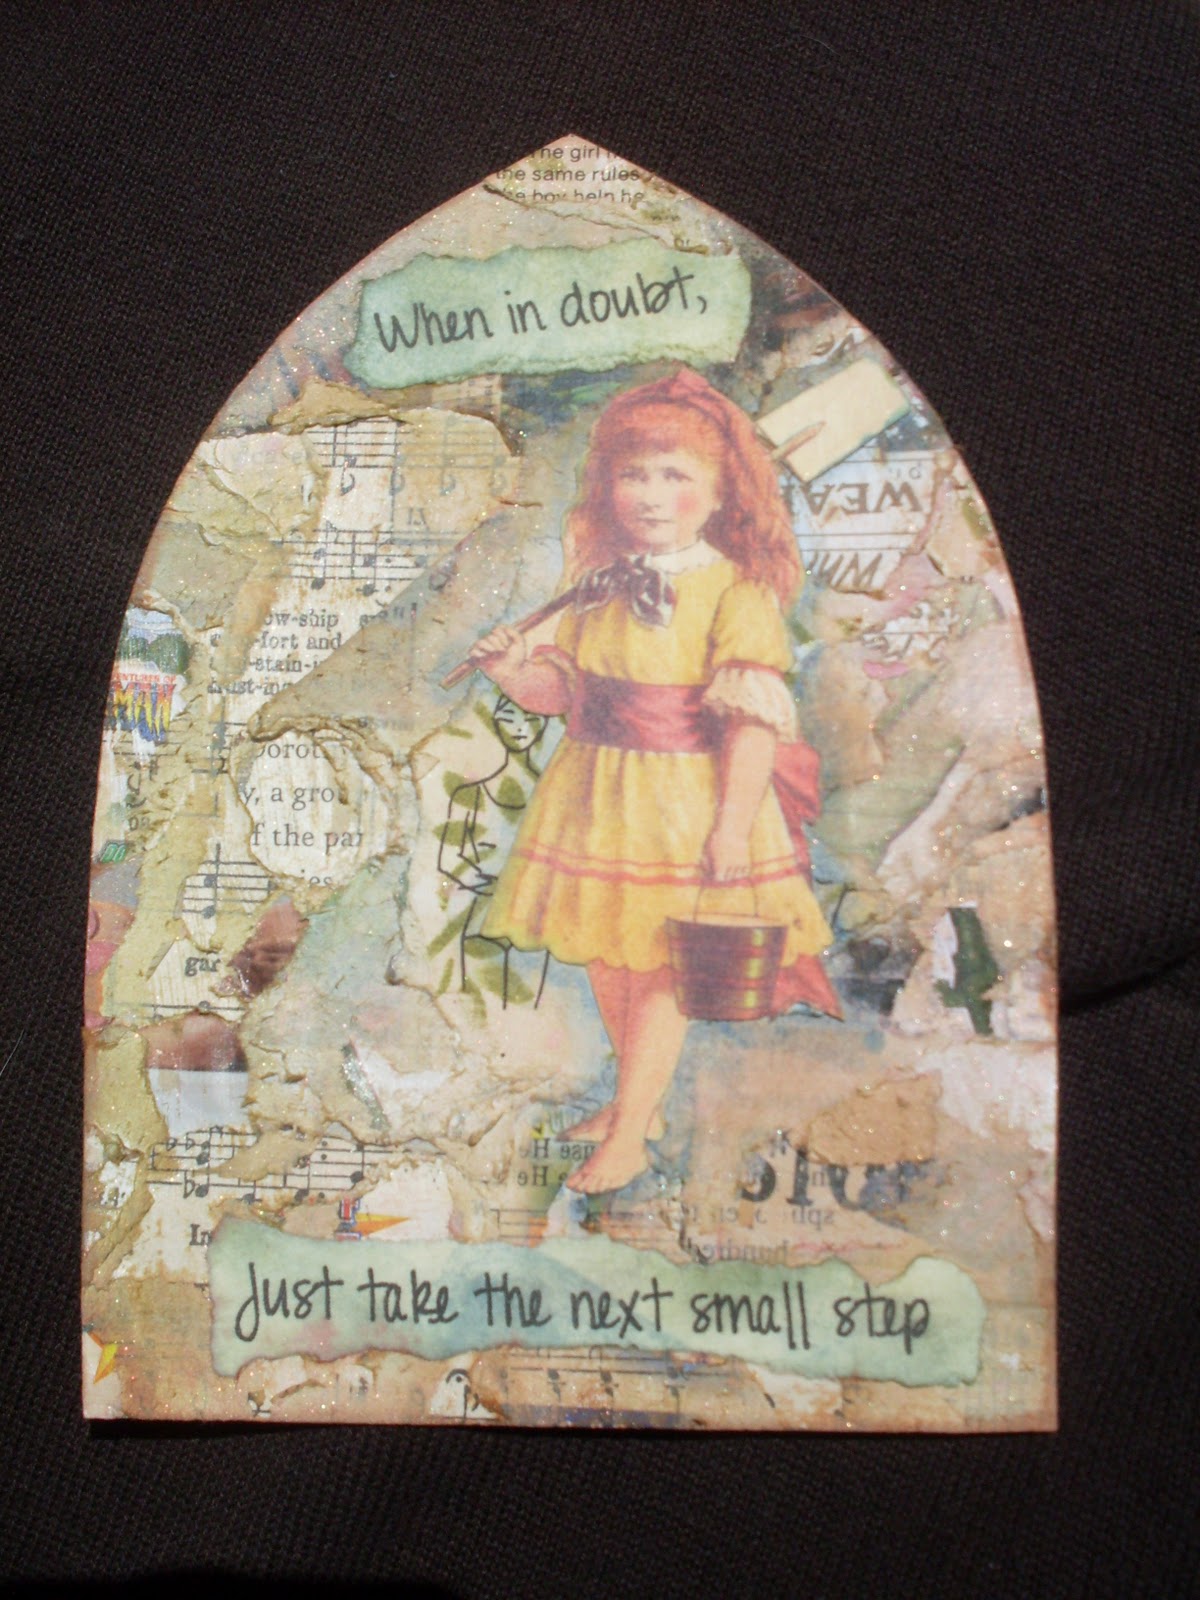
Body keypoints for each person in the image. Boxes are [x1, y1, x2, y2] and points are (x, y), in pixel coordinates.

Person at [467, 367, 837, 1194]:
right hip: (597, 797)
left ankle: (631, 1133)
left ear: (719, 494)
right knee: (612, 953)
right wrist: (512, 671)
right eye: (634, 475)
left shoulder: (736, 591)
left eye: (676, 476)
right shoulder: (599, 584)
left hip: (691, 801)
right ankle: (638, 1106)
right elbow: (565, 694)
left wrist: (731, 827)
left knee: (668, 964)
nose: (653, 496)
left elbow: (751, 724)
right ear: (609, 486)